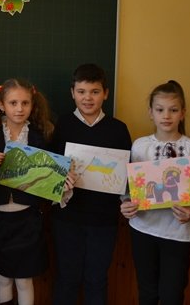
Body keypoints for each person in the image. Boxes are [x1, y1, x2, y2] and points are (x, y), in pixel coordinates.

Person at [120, 80, 190, 305]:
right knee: (147, 293)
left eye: (173, 110)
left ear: (182, 113)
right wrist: (126, 204)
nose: (166, 116)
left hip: (178, 233)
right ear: (151, 113)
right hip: (143, 229)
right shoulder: (140, 146)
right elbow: (129, 188)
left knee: (172, 295)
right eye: (160, 110)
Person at [50, 63, 131, 305]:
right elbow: (51, 169)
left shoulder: (118, 129)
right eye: (81, 91)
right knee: (67, 277)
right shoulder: (61, 125)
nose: (88, 98)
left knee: (96, 279)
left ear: (105, 93)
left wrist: (128, 200)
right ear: (72, 93)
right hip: (67, 217)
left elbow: (127, 175)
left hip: (104, 219)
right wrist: (60, 181)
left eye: (95, 92)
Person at [0, 78, 54, 305]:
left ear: (32, 105)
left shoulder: (41, 134)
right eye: (13, 103)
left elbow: (50, 174)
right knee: (3, 277)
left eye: (25, 103)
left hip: (28, 216)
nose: (19, 109)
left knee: (24, 279)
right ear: (1, 105)